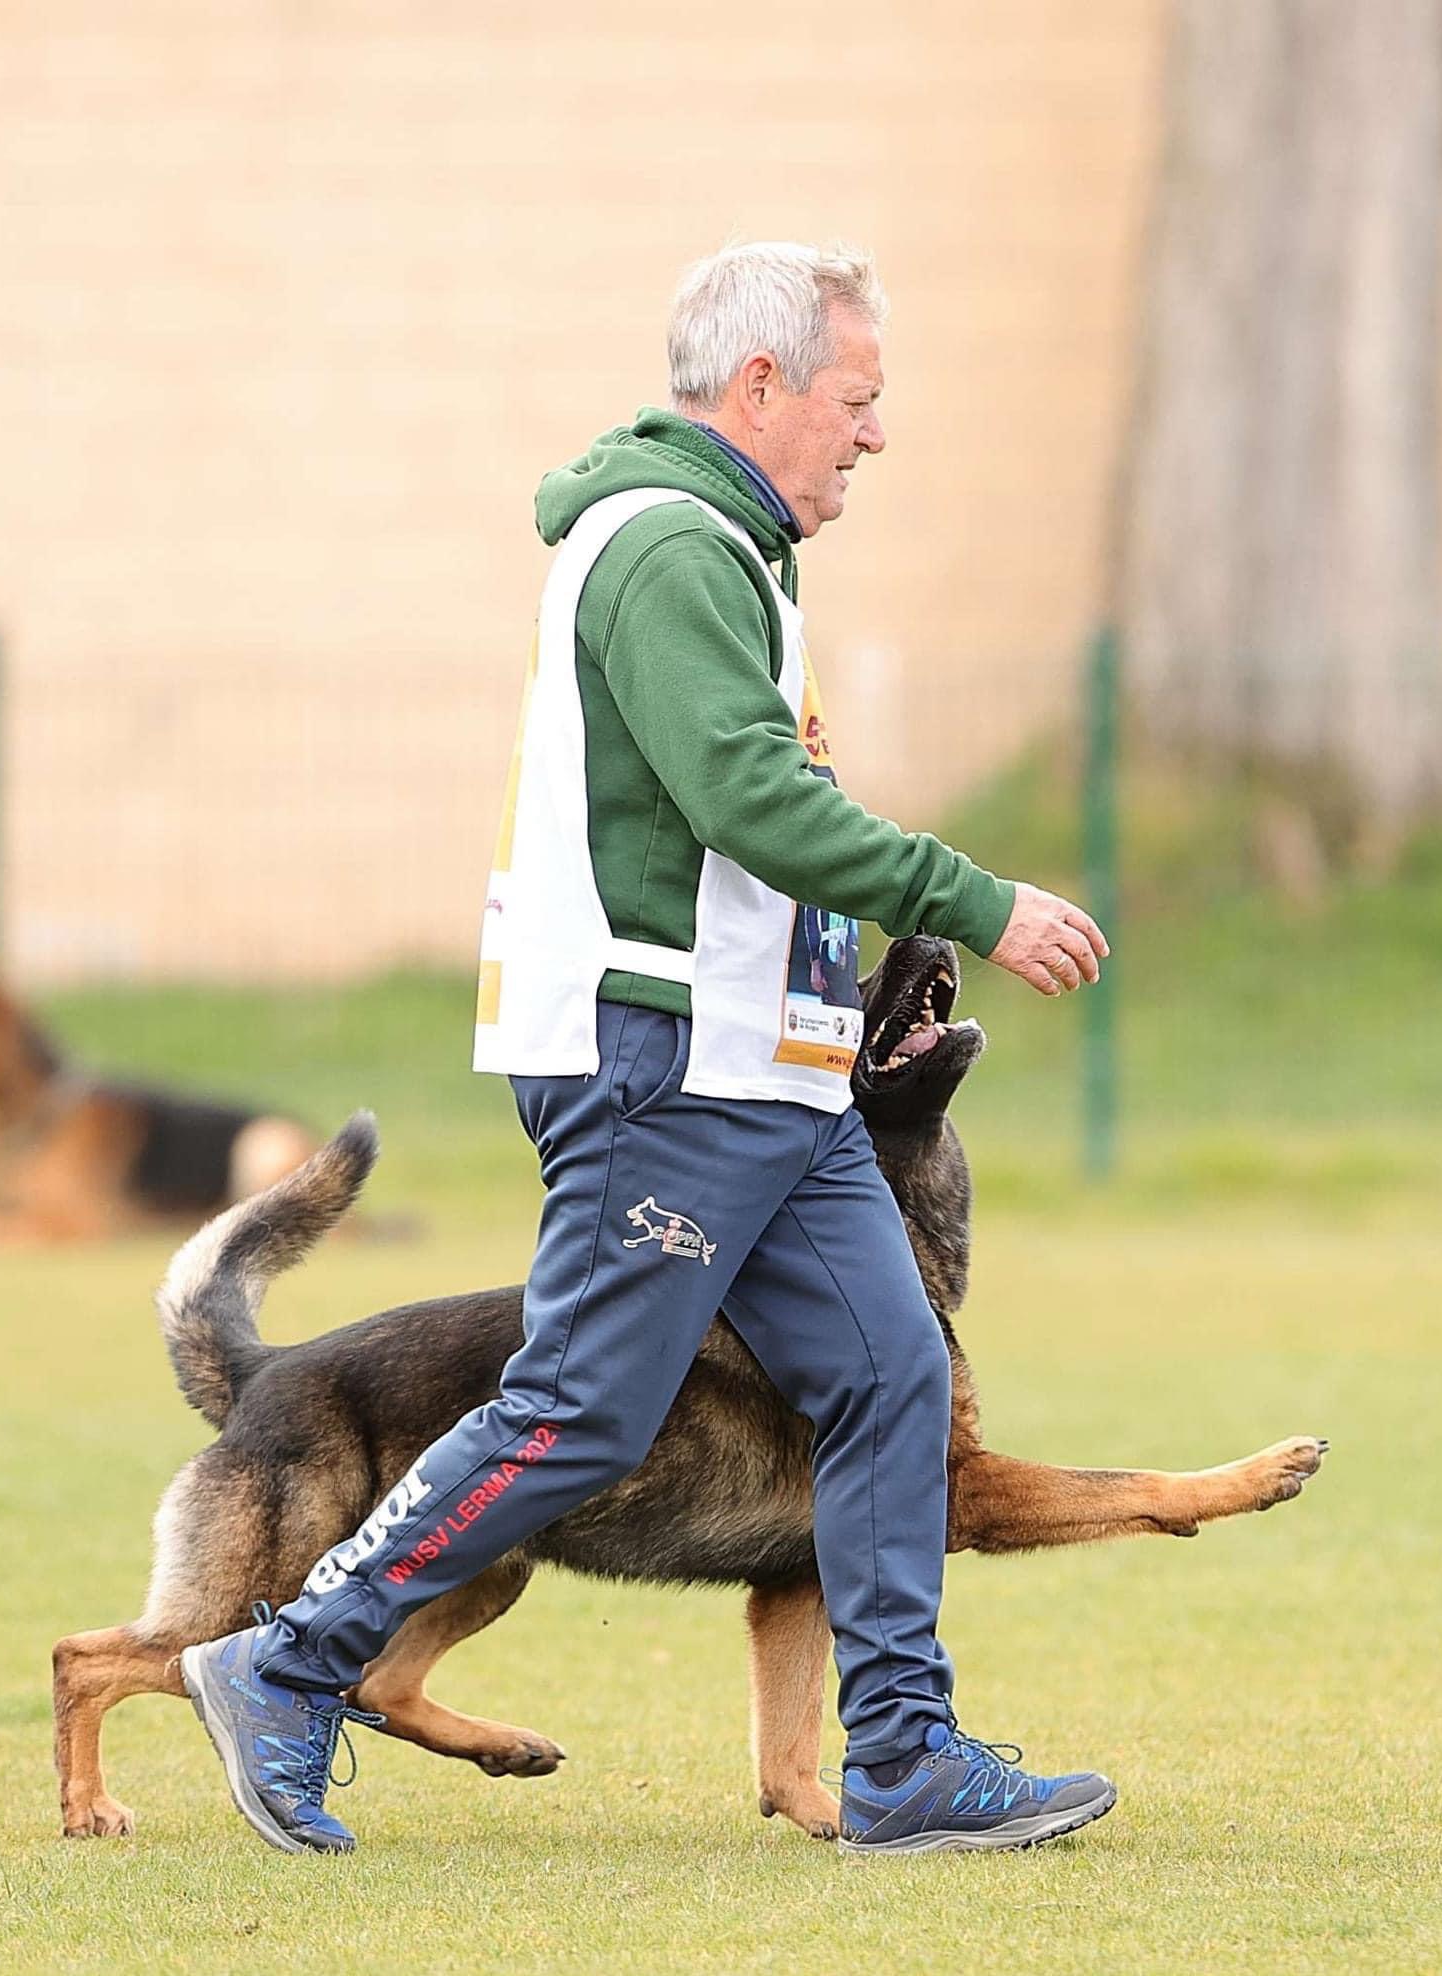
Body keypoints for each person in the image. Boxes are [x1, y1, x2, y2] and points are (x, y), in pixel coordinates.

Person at [182, 241, 1115, 1857]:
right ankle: (289, 1661)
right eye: (856, 399)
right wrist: (970, 898)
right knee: (581, 1410)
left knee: (892, 1377)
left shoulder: (731, 551)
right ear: (758, 389)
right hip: (665, 1063)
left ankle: (899, 1759)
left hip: (769, 1070)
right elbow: (748, 800)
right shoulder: (669, 547)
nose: (873, 436)